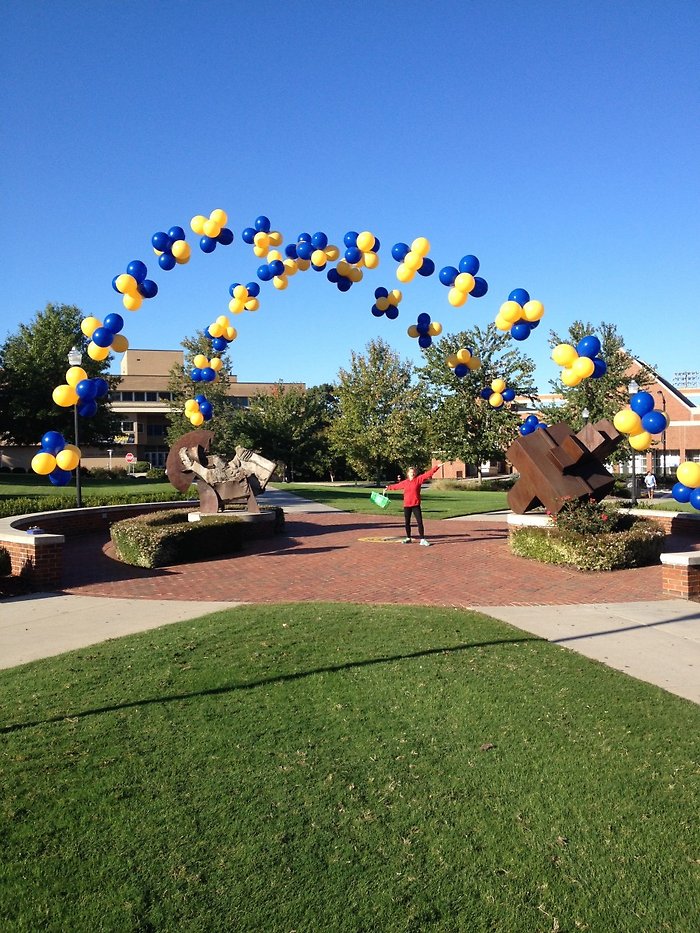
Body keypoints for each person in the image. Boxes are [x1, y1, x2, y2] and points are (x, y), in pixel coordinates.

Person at [385, 464, 440, 545]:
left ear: (415, 473)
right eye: (411, 472)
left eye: (413, 472)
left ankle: (422, 539)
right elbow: (396, 486)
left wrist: (437, 467)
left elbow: (428, 474)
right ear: (408, 473)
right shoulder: (405, 482)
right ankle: (408, 538)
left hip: (415, 504)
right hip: (407, 505)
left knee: (419, 522)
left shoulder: (418, 479)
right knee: (407, 522)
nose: (412, 473)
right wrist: (388, 488)